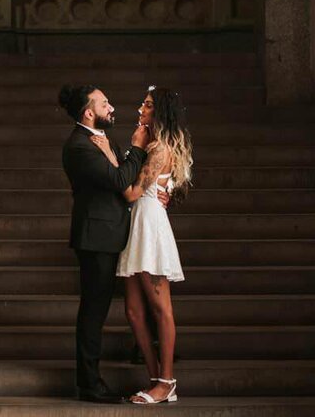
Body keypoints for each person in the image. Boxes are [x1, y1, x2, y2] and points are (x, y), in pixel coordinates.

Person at [58, 84, 166, 404]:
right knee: (94, 310)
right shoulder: (78, 146)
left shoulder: (104, 139)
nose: (111, 107)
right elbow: (120, 179)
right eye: (104, 103)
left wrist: (159, 188)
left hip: (119, 232)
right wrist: (137, 148)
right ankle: (89, 383)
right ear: (89, 112)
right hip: (96, 239)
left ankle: (144, 350)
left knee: (133, 300)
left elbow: (128, 182)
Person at [93, 85, 192, 406]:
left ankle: (167, 381)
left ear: (159, 112)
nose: (140, 109)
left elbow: (132, 193)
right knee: (134, 311)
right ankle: (155, 381)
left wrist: (109, 153)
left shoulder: (160, 148)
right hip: (135, 226)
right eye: (142, 104)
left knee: (161, 308)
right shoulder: (148, 143)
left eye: (147, 106)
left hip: (150, 227)